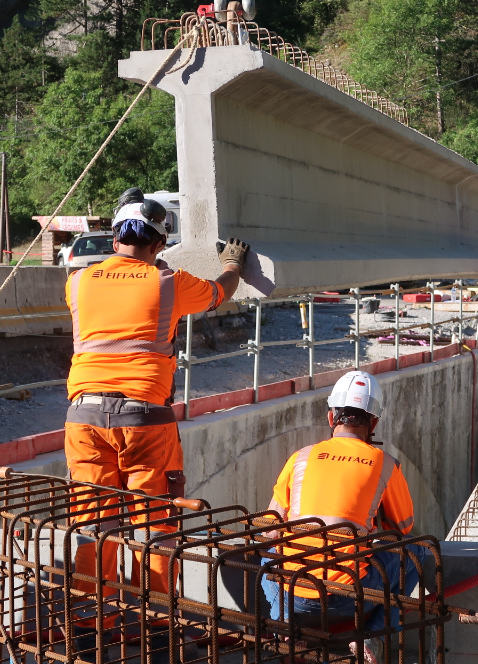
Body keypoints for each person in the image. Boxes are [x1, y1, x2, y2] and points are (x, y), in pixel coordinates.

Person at [64, 186, 249, 663]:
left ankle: (88, 630)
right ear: (160, 242)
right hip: (144, 417)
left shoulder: (78, 282)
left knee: (92, 520)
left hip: (83, 416)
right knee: (153, 524)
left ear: (114, 236)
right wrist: (231, 264)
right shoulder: (168, 282)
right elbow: (218, 294)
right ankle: (161, 627)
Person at [263, 371, 423, 664]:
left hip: (295, 593)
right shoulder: (385, 464)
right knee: (418, 551)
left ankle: (282, 624)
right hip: (349, 597)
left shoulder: (301, 456)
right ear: (373, 422)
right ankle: (372, 634)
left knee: (267, 554)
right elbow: (403, 528)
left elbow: (271, 528)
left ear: (331, 417)